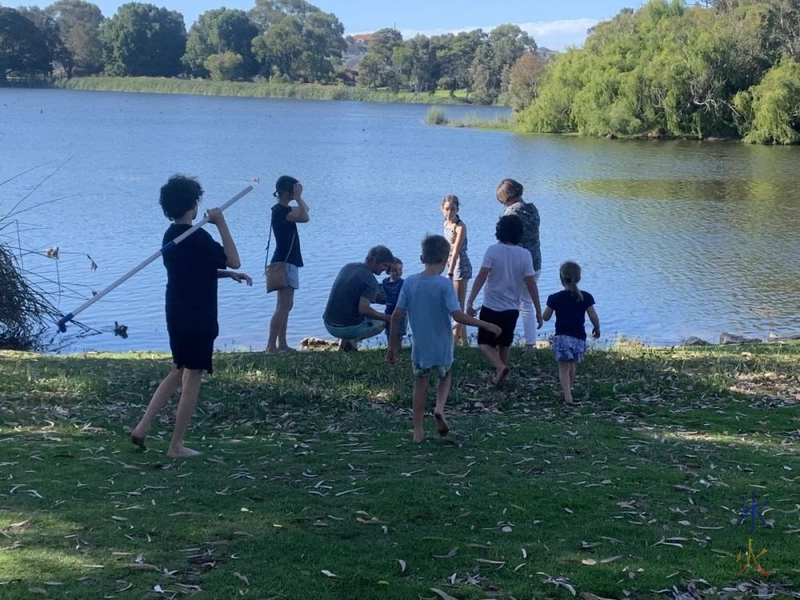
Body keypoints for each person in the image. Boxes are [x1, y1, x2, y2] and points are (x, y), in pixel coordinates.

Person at [130, 175, 252, 457]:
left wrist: (225, 274)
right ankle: (176, 445)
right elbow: (234, 257)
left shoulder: (171, 236)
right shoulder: (197, 236)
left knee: (178, 370)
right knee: (192, 376)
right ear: (192, 206)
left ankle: (142, 427)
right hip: (198, 314)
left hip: (176, 310)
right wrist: (221, 223)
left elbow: (194, 269)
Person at [387, 235, 501, 443]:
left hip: (421, 348)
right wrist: (485, 324)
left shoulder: (410, 282)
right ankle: (439, 408)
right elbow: (457, 316)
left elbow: (396, 316)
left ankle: (418, 430)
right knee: (445, 375)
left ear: (422, 258)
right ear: (446, 259)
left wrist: (393, 346)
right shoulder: (445, 285)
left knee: (420, 385)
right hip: (442, 347)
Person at [467, 215, 542, 389]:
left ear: (499, 232)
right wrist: (538, 310)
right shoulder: (525, 254)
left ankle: (500, 367)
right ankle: (501, 378)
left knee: (484, 343)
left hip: (491, 305)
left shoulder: (492, 250)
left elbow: (481, 276)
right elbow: (531, 284)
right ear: (519, 233)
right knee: (505, 343)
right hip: (512, 308)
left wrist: (470, 300)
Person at [542, 261, 600, 404]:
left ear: (561, 278)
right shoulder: (586, 297)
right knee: (572, 365)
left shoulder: (555, 298)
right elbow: (593, 315)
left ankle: (568, 397)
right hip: (579, 337)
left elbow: (546, 317)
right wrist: (597, 327)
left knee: (563, 366)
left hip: (562, 337)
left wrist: (543, 313)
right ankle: (568, 391)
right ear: (578, 278)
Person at [266, 175, 309, 355]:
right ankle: (271, 346)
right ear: (284, 192)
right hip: (285, 262)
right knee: (283, 306)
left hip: (287, 261)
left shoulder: (284, 209)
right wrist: (298, 197)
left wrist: (299, 198)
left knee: (287, 306)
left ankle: (282, 344)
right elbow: (305, 217)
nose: (295, 193)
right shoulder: (280, 211)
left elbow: (306, 210)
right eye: (292, 189)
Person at [496, 178, 541, 350]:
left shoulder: (510, 214)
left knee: (508, 303)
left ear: (505, 198)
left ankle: (504, 340)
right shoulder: (533, 209)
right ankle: (530, 344)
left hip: (516, 263)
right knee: (527, 303)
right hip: (536, 261)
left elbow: (503, 240)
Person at [323, 245, 395, 351]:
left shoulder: (349, 266)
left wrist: (386, 300)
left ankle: (344, 344)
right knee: (382, 322)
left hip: (328, 323)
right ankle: (352, 341)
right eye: (384, 265)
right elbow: (364, 309)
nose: (384, 270)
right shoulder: (370, 280)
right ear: (374, 260)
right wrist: (386, 317)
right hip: (344, 328)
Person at [442, 195, 472, 345]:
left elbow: (456, 251)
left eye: (452, 209)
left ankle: (455, 339)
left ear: (457, 209)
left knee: (458, 304)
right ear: (442, 209)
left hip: (460, 265)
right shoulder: (446, 224)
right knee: (454, 303)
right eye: (447, 209)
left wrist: (450, 272)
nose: (449, 212)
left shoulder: (460, 226)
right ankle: (464, 340)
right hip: (449, 263)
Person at [379, 257, 407, 344]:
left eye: (400, 269)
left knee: (399, 332)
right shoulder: (385, 282)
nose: (398, 272)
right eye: (395, 270)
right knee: (389, 331)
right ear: (388, 271)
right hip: (389, 311)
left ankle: (398, 349)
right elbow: (383, 294)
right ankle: (390, 347)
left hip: (401, 312)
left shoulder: (403, 283)